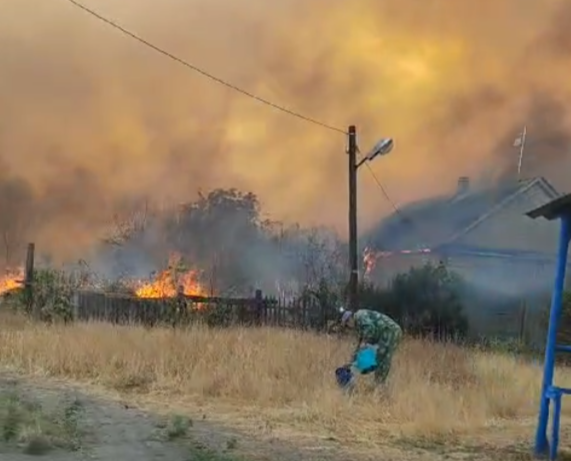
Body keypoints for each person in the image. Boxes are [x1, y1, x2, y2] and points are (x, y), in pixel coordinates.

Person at [340, 309, 403, 385]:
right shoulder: (358, 326)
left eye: (347, 325)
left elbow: (370, 328)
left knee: (381, 357)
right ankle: (379, 384)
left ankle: (380, 385)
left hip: (390, 331)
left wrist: (365, 343)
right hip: (384, 335)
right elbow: (359, 345)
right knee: (378, 359)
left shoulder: (360, 315)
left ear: (350, 319)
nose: (348, 327)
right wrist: (351, 363)